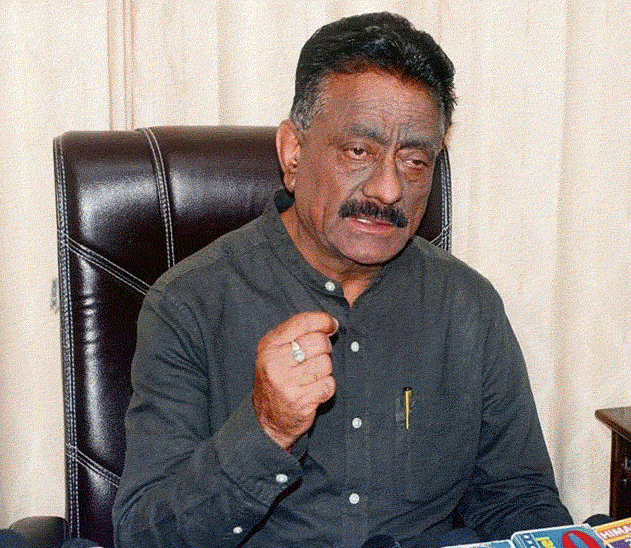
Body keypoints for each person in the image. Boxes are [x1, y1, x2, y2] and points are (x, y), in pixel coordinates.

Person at [112, 12, 573, 548]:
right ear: (293, 152)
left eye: (414, 161)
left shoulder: (467, 305)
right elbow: (143, 537)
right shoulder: (190, 303)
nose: (388, 190)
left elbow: (518, 500)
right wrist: (266, 430)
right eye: (359, 152)